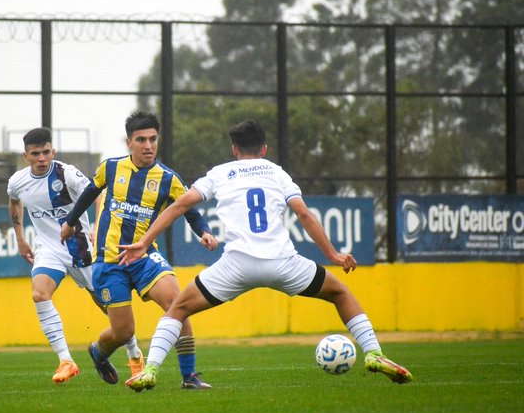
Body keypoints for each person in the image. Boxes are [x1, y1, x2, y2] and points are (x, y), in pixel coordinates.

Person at [120, 119, 413, 392]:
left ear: (234, 149)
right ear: (264, 149)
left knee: (178, 309)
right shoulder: (277, 172)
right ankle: (373, 353)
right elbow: (303, 214)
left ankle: (151, 370)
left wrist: (144, 242)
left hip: (237, 265)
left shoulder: (220, 173)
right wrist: (332, 254)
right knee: (340, 293)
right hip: (283, 262)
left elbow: (179, 206)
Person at [60, 111, 219, 389]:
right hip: (109, 261)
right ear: (129, 143)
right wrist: (70, 223)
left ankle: (189, 376)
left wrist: (204, 231)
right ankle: (98, 353)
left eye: (153, 139)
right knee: (124, 332)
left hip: (145, 258)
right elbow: (89, 193)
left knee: (178, 304)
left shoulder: (168, 178)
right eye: (141, 140)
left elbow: (189, 210)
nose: (148, 146)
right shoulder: (110, 168)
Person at [7, 127, 143, 384]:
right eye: (35, 154)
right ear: (26, 156)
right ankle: (66, 361)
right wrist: (20, 238)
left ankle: (134, 355)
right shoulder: (17, 181)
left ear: (53, 151)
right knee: (39, 293)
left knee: (110, 308)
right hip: (49, 249)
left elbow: (99, 196)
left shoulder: (67, 174)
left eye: (46, 152)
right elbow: (14, 202)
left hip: (81, 248)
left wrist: (98, 229)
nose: (41, 158)